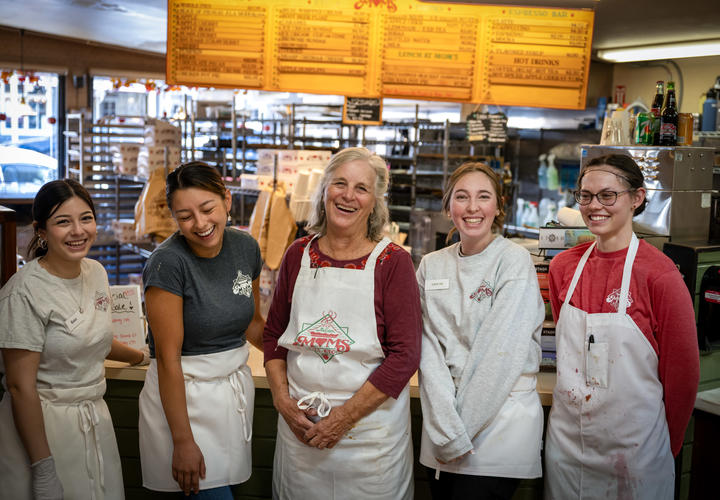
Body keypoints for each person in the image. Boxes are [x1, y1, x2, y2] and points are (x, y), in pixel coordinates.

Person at [263, 147, 421, 500]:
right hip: (300, 430)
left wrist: (342, 420)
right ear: (324, 191)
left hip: (368, 440)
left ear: (375, 201)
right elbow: (273, 336)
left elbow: (405, 356)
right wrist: (282, 401)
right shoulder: (297, 254)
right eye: (340, 184)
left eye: (362, 188)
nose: (349, 196)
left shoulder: (392, 262)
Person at [545, 154, 700, 499]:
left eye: (607, 195)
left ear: (637, 198)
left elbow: (683, 378)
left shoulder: (660, 276)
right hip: (567, 449)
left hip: (635, 455)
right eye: (585, 195)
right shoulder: (563, 268)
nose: (593, 206)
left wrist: (657, 449)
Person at [0, 179, 148, 500]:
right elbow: (19, 387)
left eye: (86, 218)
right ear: (41, 231)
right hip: (43, 429)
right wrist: (43, 468)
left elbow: (96, 339)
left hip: (94, 419)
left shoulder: (96, 272)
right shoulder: (23, 292)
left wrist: (140, 357)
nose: (78, 231)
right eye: (63, 222)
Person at [417, 162, 545, 500]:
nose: (472, 207)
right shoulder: (431, 265)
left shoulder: (513, 261)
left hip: (497, 423)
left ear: (499, 205)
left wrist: (459, 433)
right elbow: (427, 351)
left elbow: (500, 354)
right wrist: (446, 429)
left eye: (483, 197)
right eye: (462, 197)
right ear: (448, 207)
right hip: (442, 424)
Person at [138, 162, 265, 499]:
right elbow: (167, 359)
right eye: (185, 216)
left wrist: (296, 354)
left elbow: (252, 323)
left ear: (226, 200)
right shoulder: (167, 263)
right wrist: (182, 441)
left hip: (229, 397)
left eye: (207, 208)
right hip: (184, 405)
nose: (200, 224)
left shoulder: (246, 248)